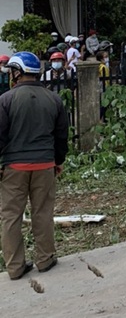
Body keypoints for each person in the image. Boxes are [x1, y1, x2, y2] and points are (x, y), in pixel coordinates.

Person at [0, 52, 69, 280]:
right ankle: (45, 258)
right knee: (43, 213)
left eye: (12, 71)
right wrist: (58, 162)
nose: (10, 75)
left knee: (11, 217)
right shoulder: (54, 99)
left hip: (14, 167)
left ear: (18, 72)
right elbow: (61, 136)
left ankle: (15, 267)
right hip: (44, 165)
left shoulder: (5, 100)